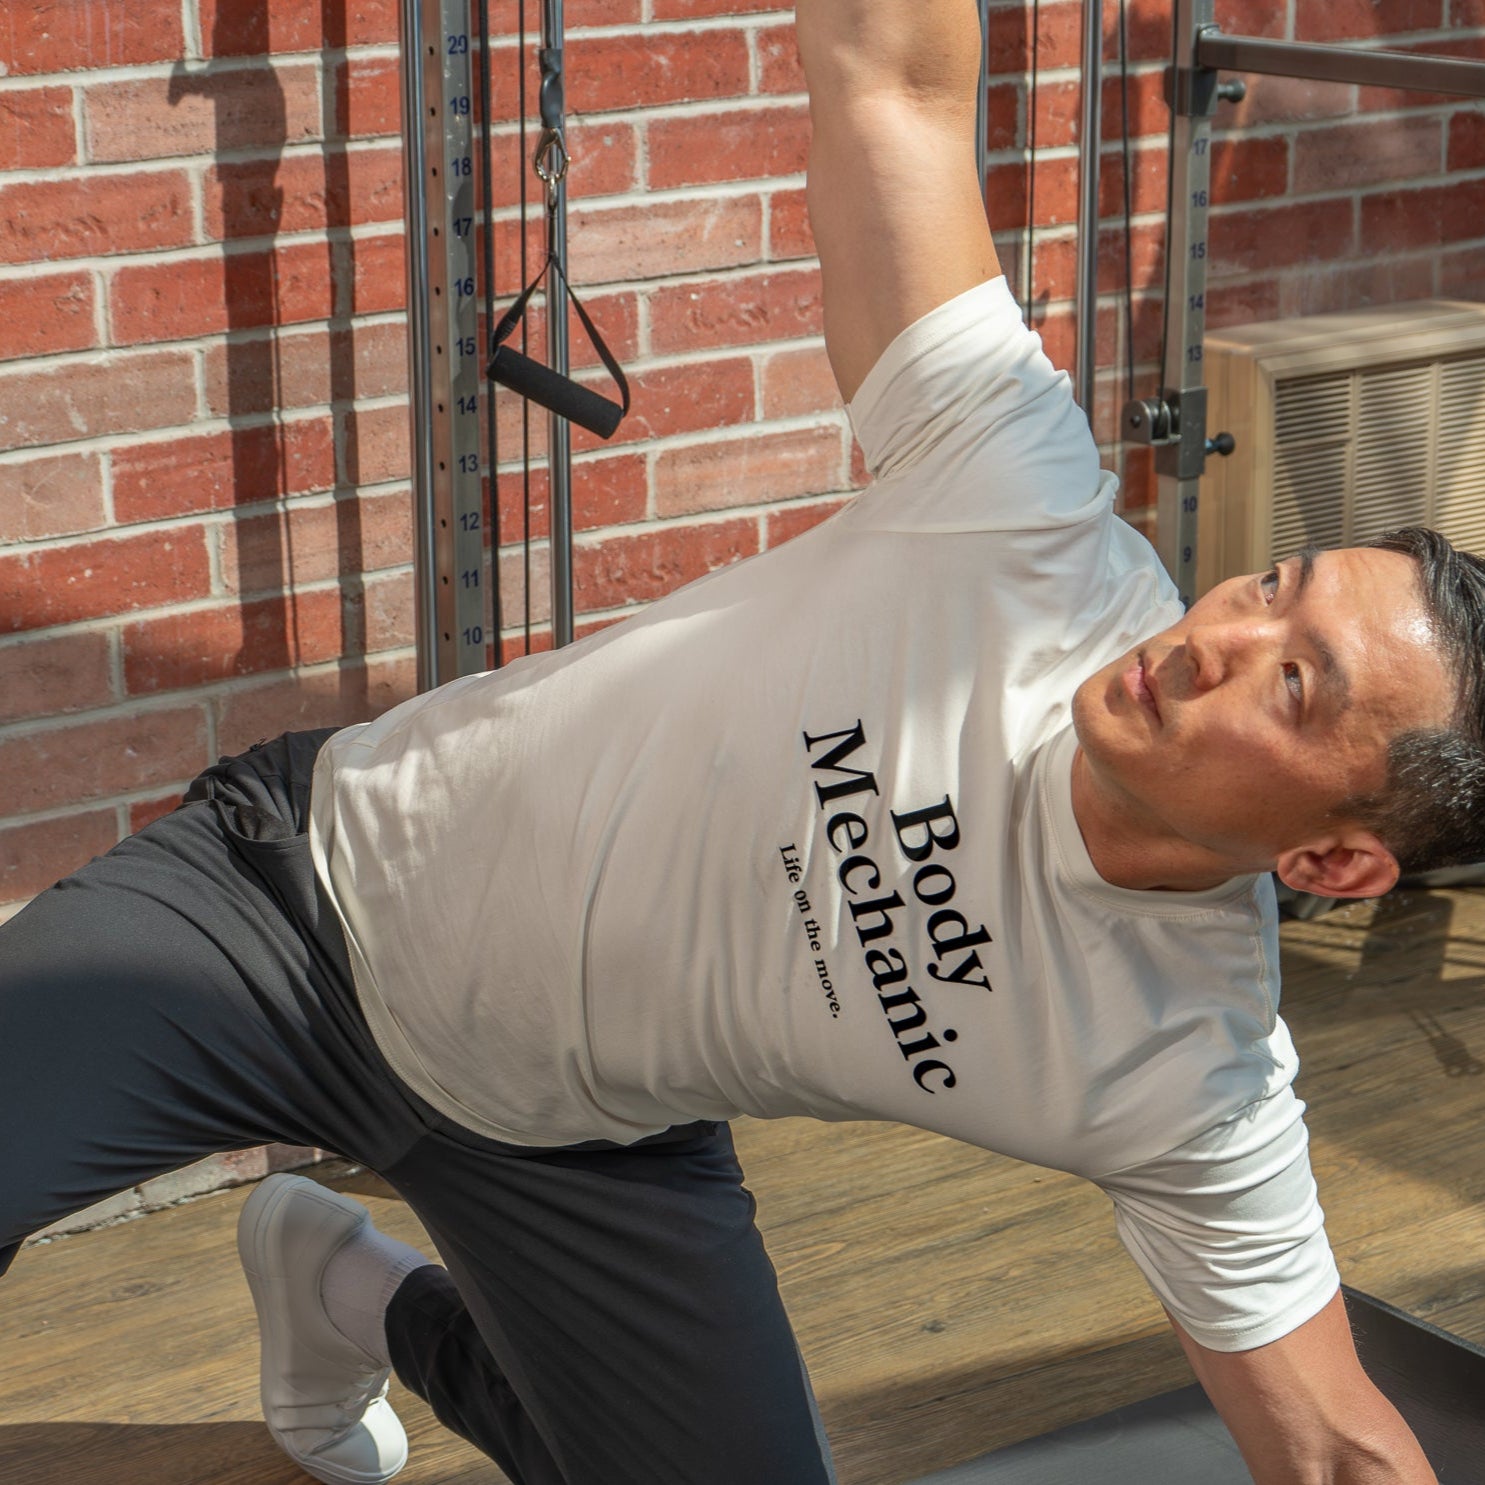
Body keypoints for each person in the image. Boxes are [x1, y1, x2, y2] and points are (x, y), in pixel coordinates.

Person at [3, 1, 1481, 1481]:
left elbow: (1335, 1448)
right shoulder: (1021, 523)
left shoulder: (1184, 1069)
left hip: (577, 1140)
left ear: (1333, 861)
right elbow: (891, 81)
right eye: (1271, 584)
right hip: (288, 913)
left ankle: (355, 1290)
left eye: (1295, 684)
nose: (1217, 637)